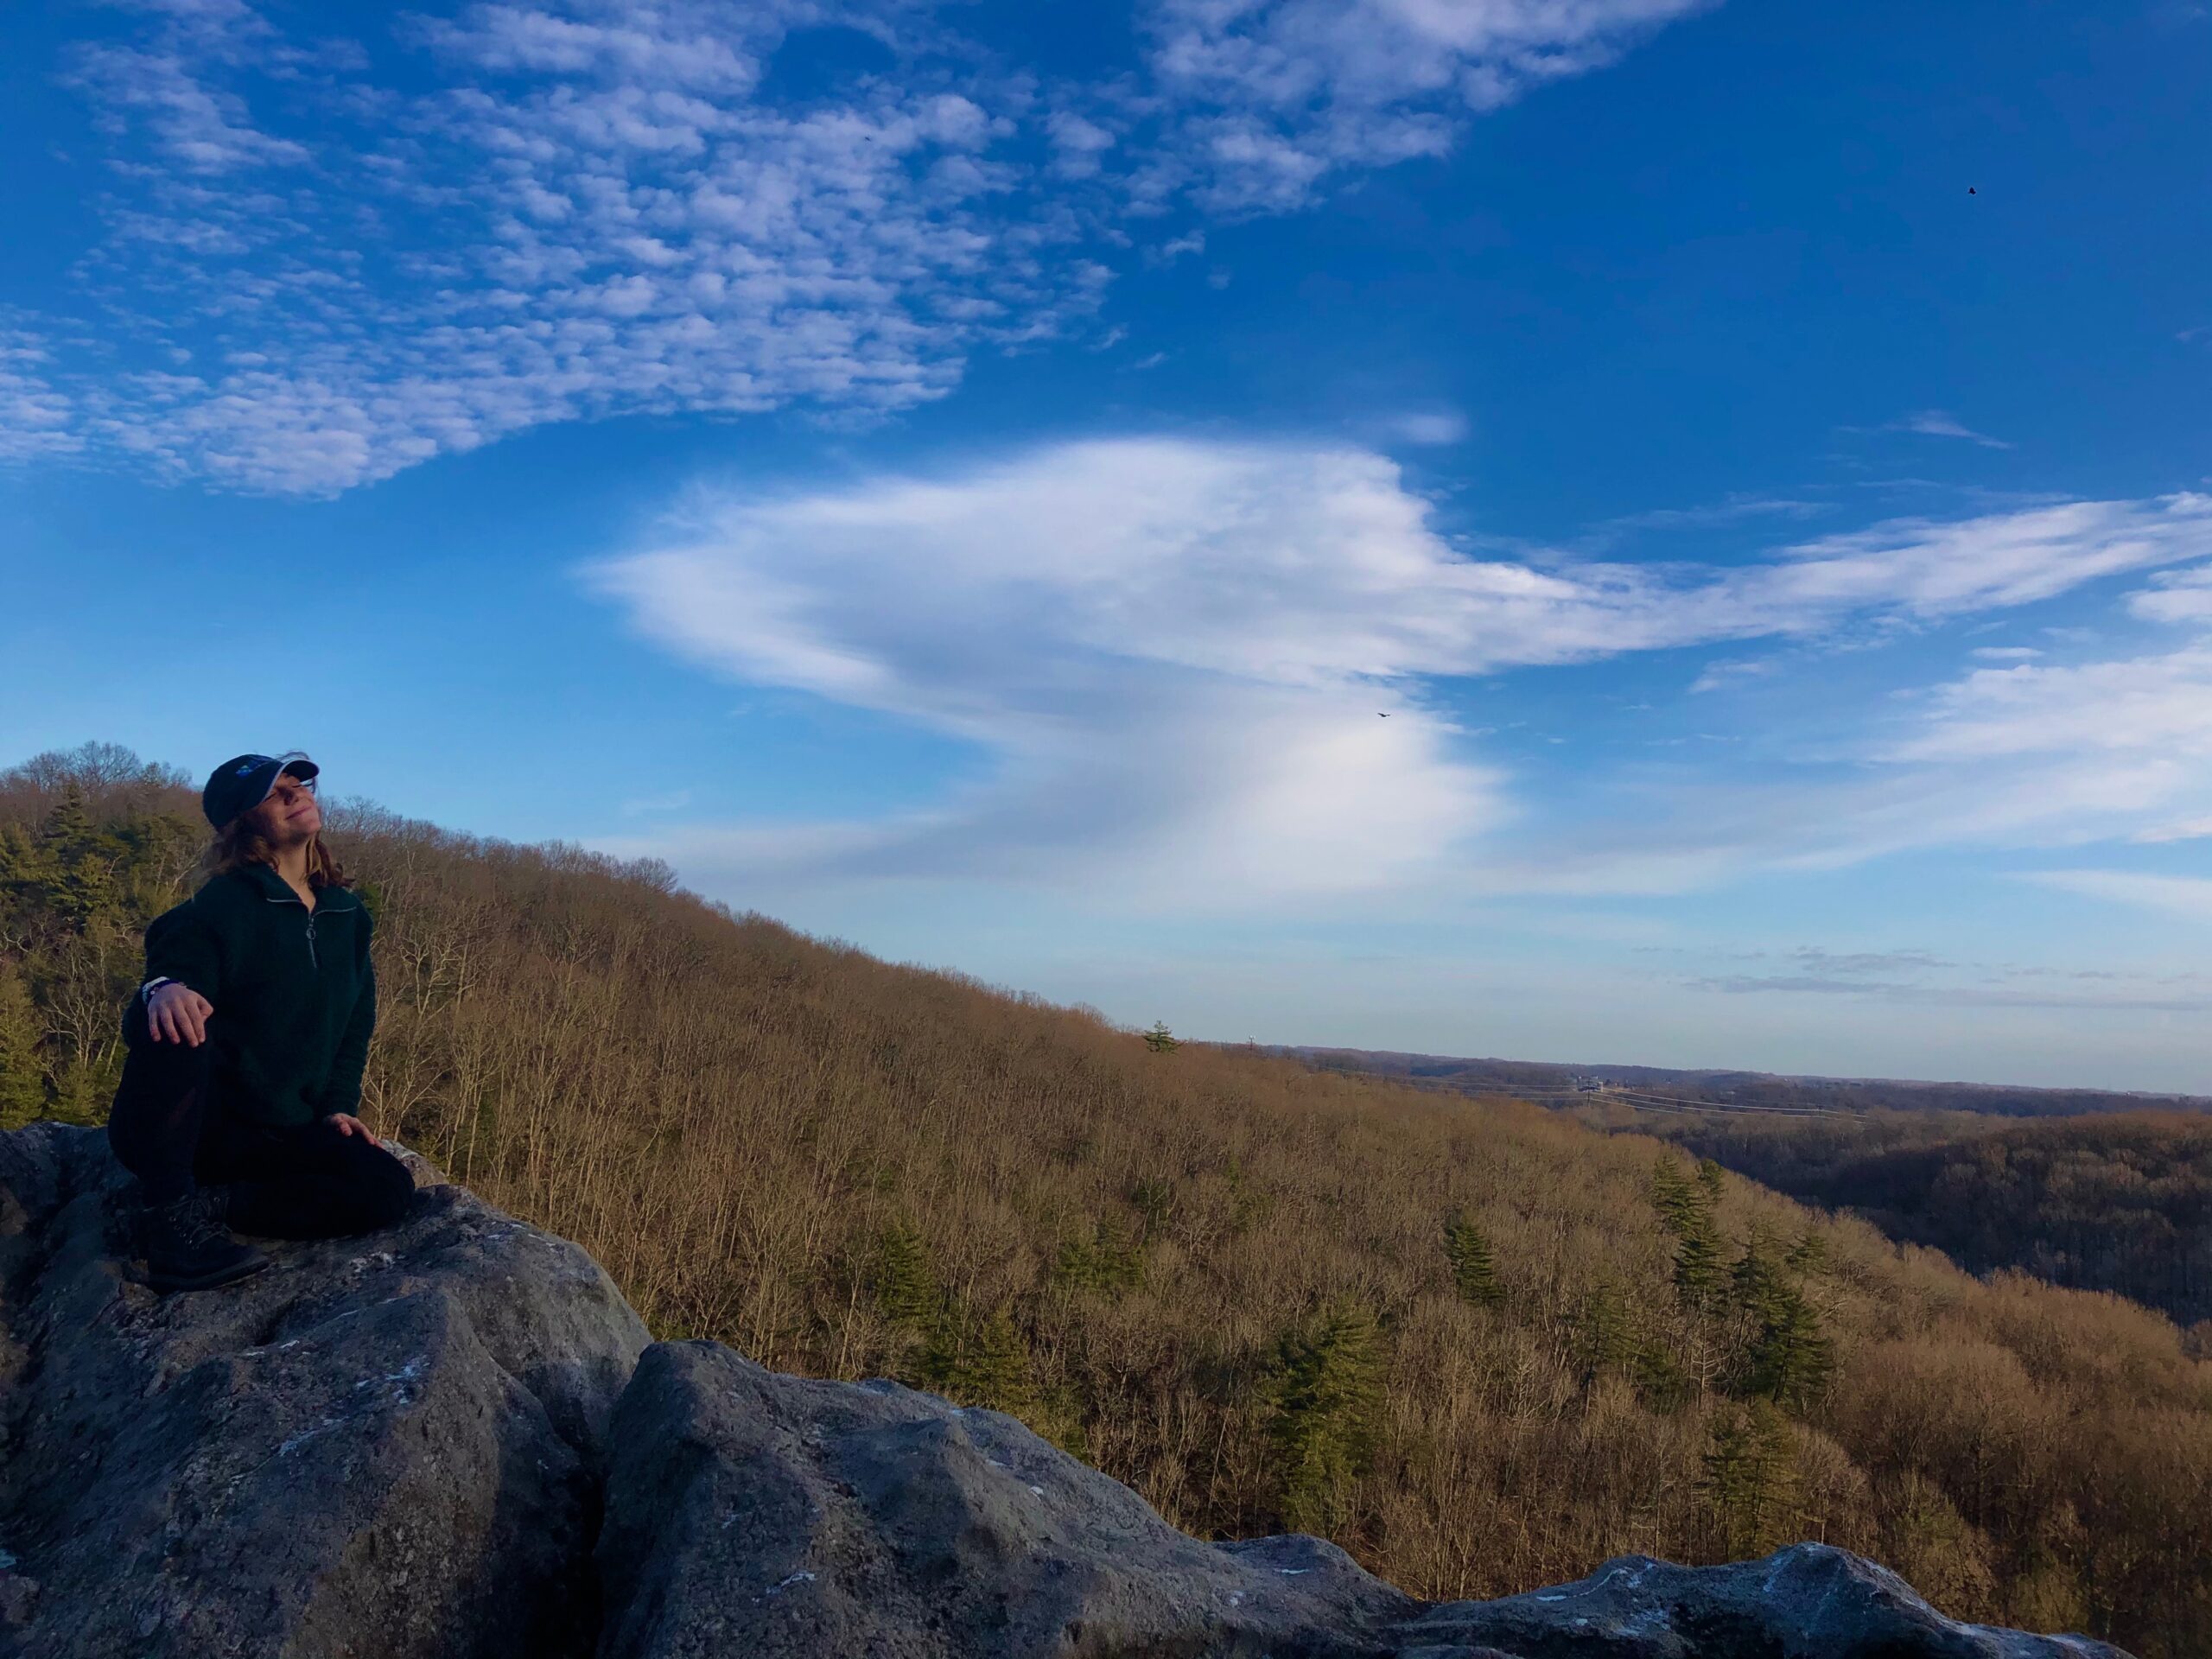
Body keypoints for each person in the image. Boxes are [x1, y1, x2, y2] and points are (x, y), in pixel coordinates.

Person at [107, 751, 414, 1292]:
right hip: (198, 1131)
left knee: (386, 1186)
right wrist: (162, 989)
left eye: (300, 784)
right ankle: (170, 1221)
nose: (299, 794)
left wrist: (337, 1108)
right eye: (277, 792)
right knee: (179, 1015)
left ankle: (214, 1208)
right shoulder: (218, 906)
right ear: (240, 824)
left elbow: (355, 1023)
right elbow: (166, 986)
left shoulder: (348, 915)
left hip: (279, 1137)